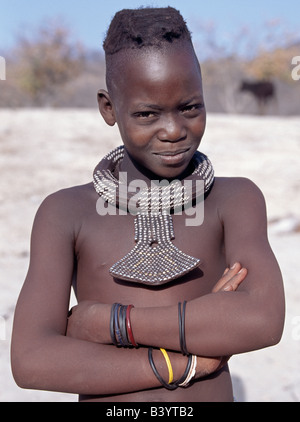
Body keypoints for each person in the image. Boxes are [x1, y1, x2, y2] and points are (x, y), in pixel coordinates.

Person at [11, 7, 285, 402]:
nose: (174, 130)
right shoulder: (65, 213)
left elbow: (263, 319)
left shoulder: (234, 199)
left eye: (190, 107)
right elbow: (32, 358)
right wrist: (186, 361)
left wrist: (113, 323)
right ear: (109, 108)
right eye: (146, 114)